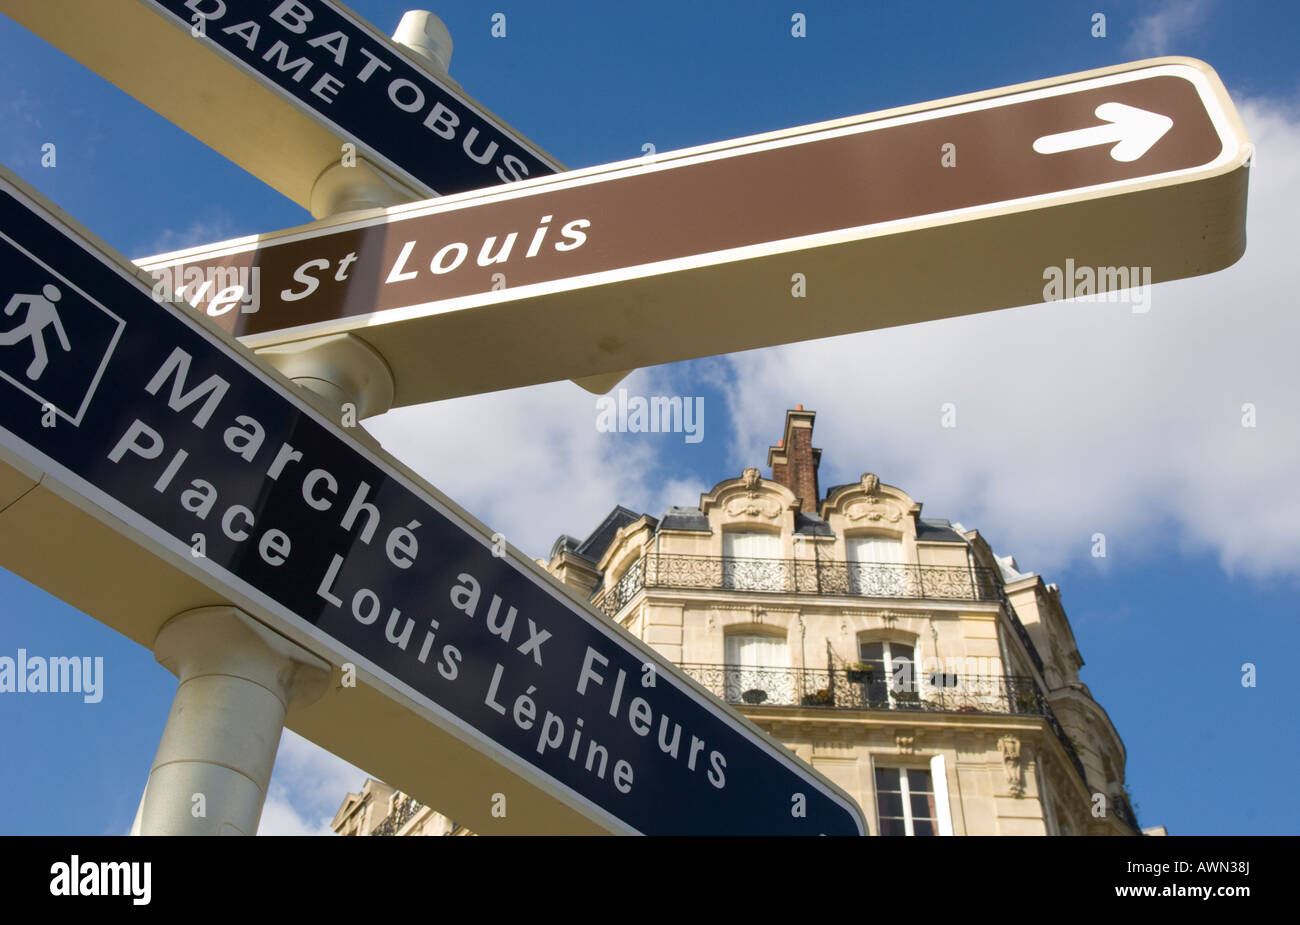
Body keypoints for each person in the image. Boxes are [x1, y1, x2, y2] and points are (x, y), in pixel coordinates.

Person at [1, 283, 72, 380]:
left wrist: (65, 344)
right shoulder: (38, 300)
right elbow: (18, 297)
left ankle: (32, 376)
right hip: (29, 326)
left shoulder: (52, 310)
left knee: (42, 357)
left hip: (36, 331)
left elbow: (58, 327)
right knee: (10, 339)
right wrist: (9, 310)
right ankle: (32, 375)